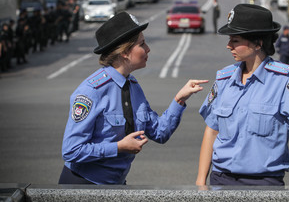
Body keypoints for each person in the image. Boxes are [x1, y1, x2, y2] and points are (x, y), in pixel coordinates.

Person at [59, 12, 209, 185]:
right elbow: (71, 150)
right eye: (142, 44)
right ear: (124, 52)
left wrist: (179, 99)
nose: (148, 49)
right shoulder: (91, 91)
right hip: (83, 184)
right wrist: (118, 147)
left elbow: (160, 133)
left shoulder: (132, 86)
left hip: (116, 185)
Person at [196, 4, 289, 189]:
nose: (228, 45)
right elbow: (211, 131)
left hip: (265, 183)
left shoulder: (284, 78)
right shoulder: (224, 79)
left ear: (258, 43)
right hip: (221, 180)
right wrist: (200, 182)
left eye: (235, 40)